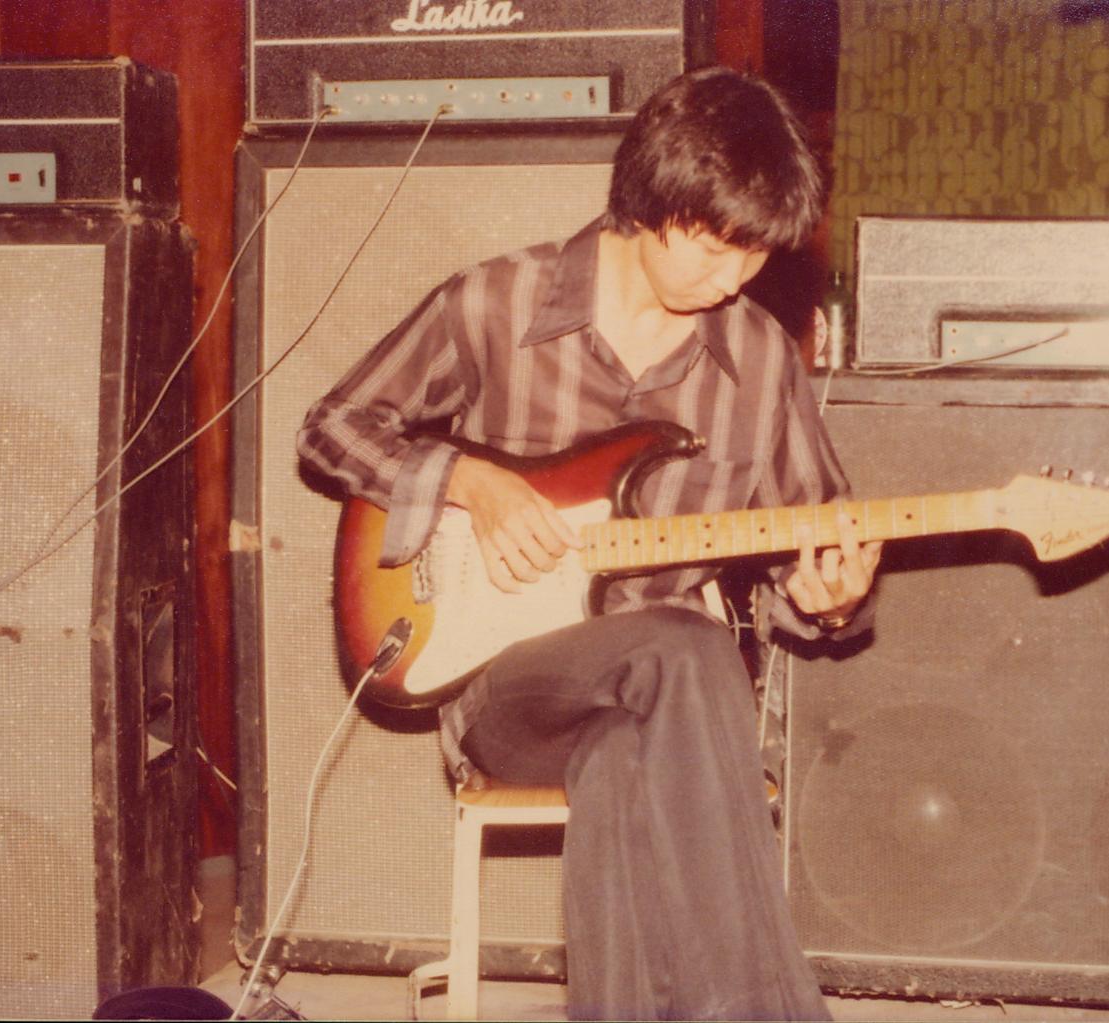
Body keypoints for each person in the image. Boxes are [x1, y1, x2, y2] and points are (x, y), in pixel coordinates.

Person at [298, 66, 882, 1021]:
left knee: (629, 748)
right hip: (502, 682)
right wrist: (467, 480)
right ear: (651, 201)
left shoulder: (759, 359)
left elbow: (810, 543)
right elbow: (332, 427)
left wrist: (832, 596)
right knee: (688, 645)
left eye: (755, 255)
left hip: (671, 708)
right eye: (714, 247)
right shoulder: (497, 303)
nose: (733, 279)